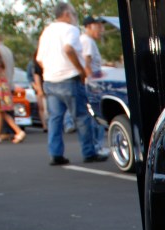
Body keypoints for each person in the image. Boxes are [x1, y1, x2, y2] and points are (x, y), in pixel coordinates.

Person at [35, 2, 107, 165]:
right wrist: (80, 70)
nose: (75, 18)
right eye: (74, 14)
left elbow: (39, 58)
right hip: (69, 78)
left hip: (50, 79)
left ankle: (55, 154)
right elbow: (68, 49)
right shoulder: (70, 30)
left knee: (55, 119)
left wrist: (51, 70)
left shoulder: (47, 31)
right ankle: (89, 152)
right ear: (66, 14)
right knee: (82, 117)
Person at [80, 16, 108, 154]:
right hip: (92, 83)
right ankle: (98, 146)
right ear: (89, 26)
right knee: (96, 116)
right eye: (98, 26)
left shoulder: (86, 41)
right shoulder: (87, 41)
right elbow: (87, 63)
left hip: (90, 81)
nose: (101, 30)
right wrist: (92, 82)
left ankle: (97, 146)